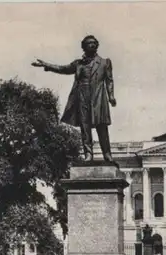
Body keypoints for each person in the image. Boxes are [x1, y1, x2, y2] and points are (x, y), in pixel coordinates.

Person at [32, 35, 117, 164]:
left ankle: (107, 154)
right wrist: (47, 65)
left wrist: (111, 96)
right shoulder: (78, 64)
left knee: (102, 126)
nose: (92, 45)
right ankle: (88, 154)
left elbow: (109, 80)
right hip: (82, 96)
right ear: (84, 47)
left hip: (98, 97)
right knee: (85, 126)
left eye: (94, 43)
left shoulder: (105, 62)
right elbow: (63, 69)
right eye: (89, 43)